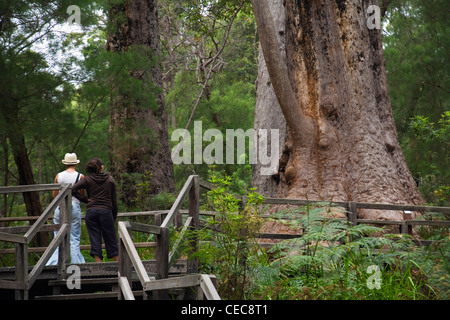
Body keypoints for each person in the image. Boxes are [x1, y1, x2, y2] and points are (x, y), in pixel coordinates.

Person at [72, 158, 119, 262]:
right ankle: (118, 264)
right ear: (101, 167)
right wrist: (113, 216)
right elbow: (114, 200)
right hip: (106, 211)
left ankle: (99, 264)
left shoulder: (87, 179)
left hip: (92, 212)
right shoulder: (110, 179)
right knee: (110, 237)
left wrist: (86, 200)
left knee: (94, 237)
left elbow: (73, 189)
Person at [47, 153, 86, 265]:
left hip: (60, 207)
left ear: (65, 163)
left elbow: (55, 195)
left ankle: (55, 263)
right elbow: (82, 194)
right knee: (74, 236)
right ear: (75, 163)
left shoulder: (58, 176)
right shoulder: (80, 176)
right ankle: (76, 263)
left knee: (57, 235)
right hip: (74, 207)